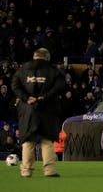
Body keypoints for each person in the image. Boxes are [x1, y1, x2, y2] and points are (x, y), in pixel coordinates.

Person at [11, 47, 65, 178]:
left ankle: (26, 171)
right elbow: (60, 86)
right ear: (47, 57)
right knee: (47, 140)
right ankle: (49, 171)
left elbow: (14, 86)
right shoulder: (53, 71)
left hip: (28, 110)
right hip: (47, 109)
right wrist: (44, 97)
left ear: (34, 56)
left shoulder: (22, 70)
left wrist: (26, 98)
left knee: (28, 141)